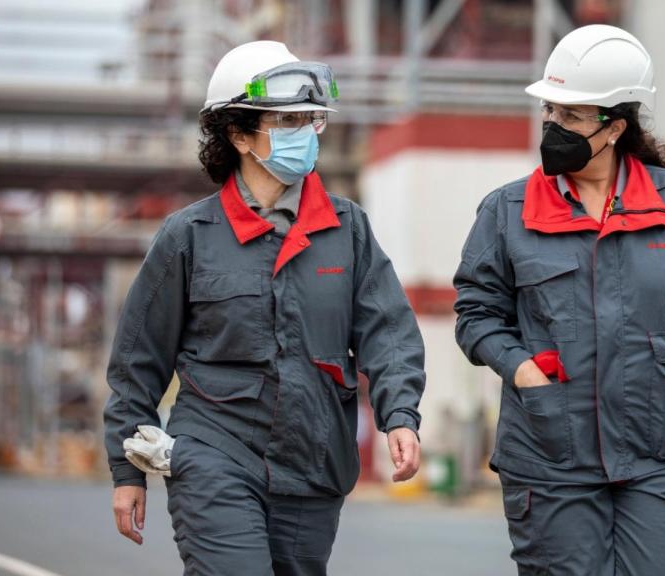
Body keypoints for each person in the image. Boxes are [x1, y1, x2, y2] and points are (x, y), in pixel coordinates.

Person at [103, 40, 426, 576]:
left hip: (313, 463)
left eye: (309, 118)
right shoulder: (189, 236)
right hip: (214, 452)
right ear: (237, 132)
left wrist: (401, 415)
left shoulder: (347, 230)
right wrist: (126, 471)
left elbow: (388, 333)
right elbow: (138, 361)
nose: (303, 132)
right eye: (286, 119)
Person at [453, 25, 665, 575]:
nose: (555, 126)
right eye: (550, 112)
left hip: (653, 446)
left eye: (573, 116)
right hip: (551, 449)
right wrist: (523, 370)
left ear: (616, 126)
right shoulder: (507, 211)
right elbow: (476, 313)